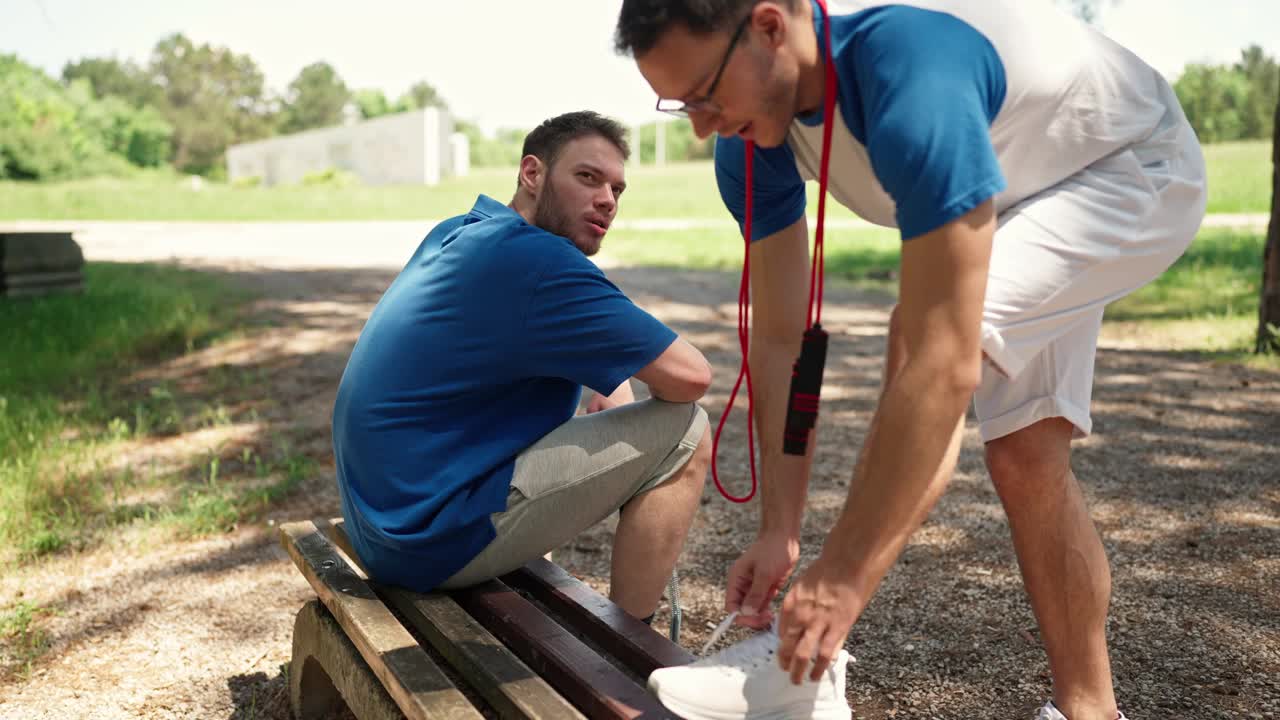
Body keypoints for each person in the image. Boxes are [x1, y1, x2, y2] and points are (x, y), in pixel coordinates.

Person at [616, 1, 1206, 718]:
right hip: (1024, 188)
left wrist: (838, 579)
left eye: (706, 93)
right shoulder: (748, 140)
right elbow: (781, 340)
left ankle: (801, 672)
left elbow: (941, 360)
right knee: (1025, 458)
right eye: (681, 106)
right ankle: (1090, 712)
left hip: (1127, 164)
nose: (703, 124)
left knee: (918, 340)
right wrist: (780, 531)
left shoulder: (910, 73)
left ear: (770, 26)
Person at [331, 110, 714, 624]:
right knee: (686, 428)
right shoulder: (540, 263)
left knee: (591, 400)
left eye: (617, 190)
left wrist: (615, 383)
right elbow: (692, 377)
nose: (606, 199)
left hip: (381, 521)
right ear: (532, 173)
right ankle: (633, 653)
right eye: (587, 178)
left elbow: (570, 342)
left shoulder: (468, 231)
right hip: (427, 541)